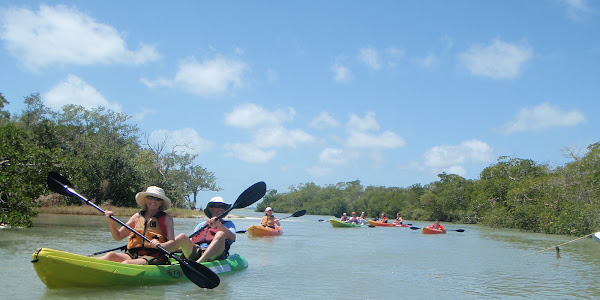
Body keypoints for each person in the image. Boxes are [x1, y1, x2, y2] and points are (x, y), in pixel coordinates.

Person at [98, 186, 174, 265]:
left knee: (127, 263)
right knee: (111, 255)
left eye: (158, 199)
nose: (153, 201)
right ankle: (88, 264)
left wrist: (161, 245)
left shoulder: (167, 219)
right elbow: (118, 236)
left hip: (154, 256)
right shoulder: (136, 217)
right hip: (133, 254)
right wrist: (111, 221)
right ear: (145, 199)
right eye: (150, 197)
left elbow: (172, 242)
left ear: (161, 202)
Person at [158, 197, 236, 263]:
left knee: (220, 234)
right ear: (211, 209)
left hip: (216, 253)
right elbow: (192, 241)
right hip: (199, 251)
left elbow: (232, 237)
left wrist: (219, 225)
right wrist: (179, 247)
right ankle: (160, 253)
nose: (221, 209)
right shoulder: (201, 225)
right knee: (182, 236)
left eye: (223, 207)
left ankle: (199, 263)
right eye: (217, 206)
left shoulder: (228, 224)